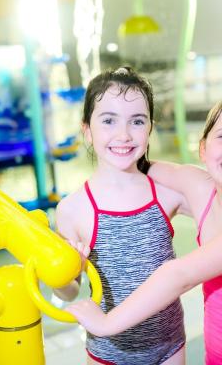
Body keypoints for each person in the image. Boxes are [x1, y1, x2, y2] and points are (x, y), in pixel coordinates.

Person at [65, 101, 222, 364]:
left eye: (138, 120)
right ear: (203, 149)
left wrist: (105, 324)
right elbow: (149, 166)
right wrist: (121, 146)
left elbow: (179, 275)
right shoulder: (202, 188)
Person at [54, 66, 188, 364]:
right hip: (108, 354)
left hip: (170, 346)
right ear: (87, 130)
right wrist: (61, 272)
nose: (123, 135)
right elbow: (68, 292)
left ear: (150, 127)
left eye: (137, 121)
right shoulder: (73, 209)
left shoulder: (166, 192)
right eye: (109, 120)